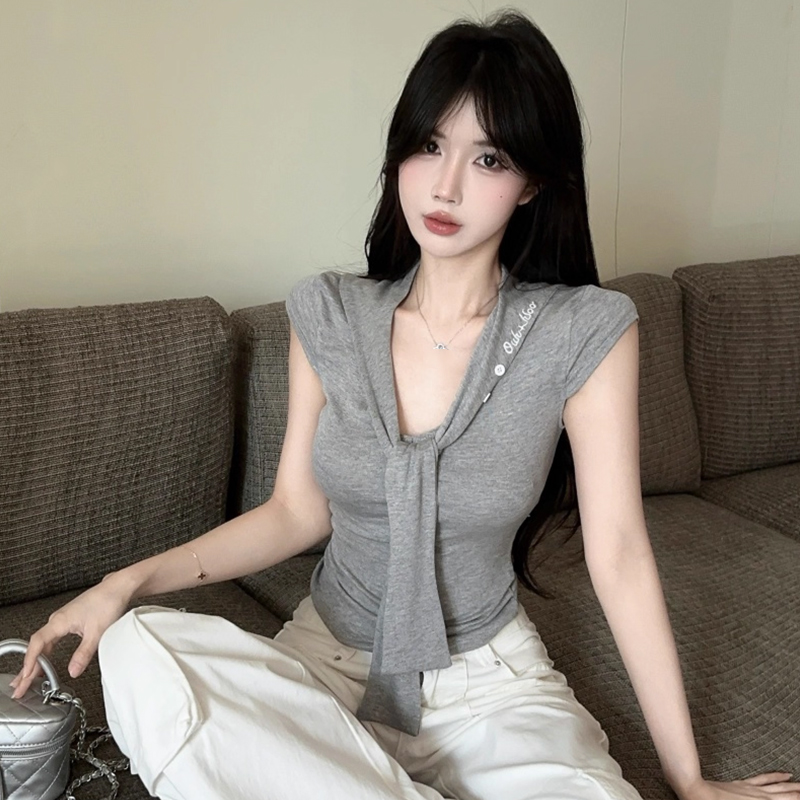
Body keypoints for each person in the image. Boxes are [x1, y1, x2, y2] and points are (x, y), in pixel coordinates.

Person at [9, 9, 798, 800]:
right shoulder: (329, 314)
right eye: (428, 145)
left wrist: (688, 778)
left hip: (490, 687)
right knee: (142, 649)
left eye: (488, 158)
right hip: (324, 667)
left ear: (532, 182)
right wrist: (124, 583)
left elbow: (619, 553)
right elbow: (295, 513)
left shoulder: (584, 331)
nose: (446, 186)